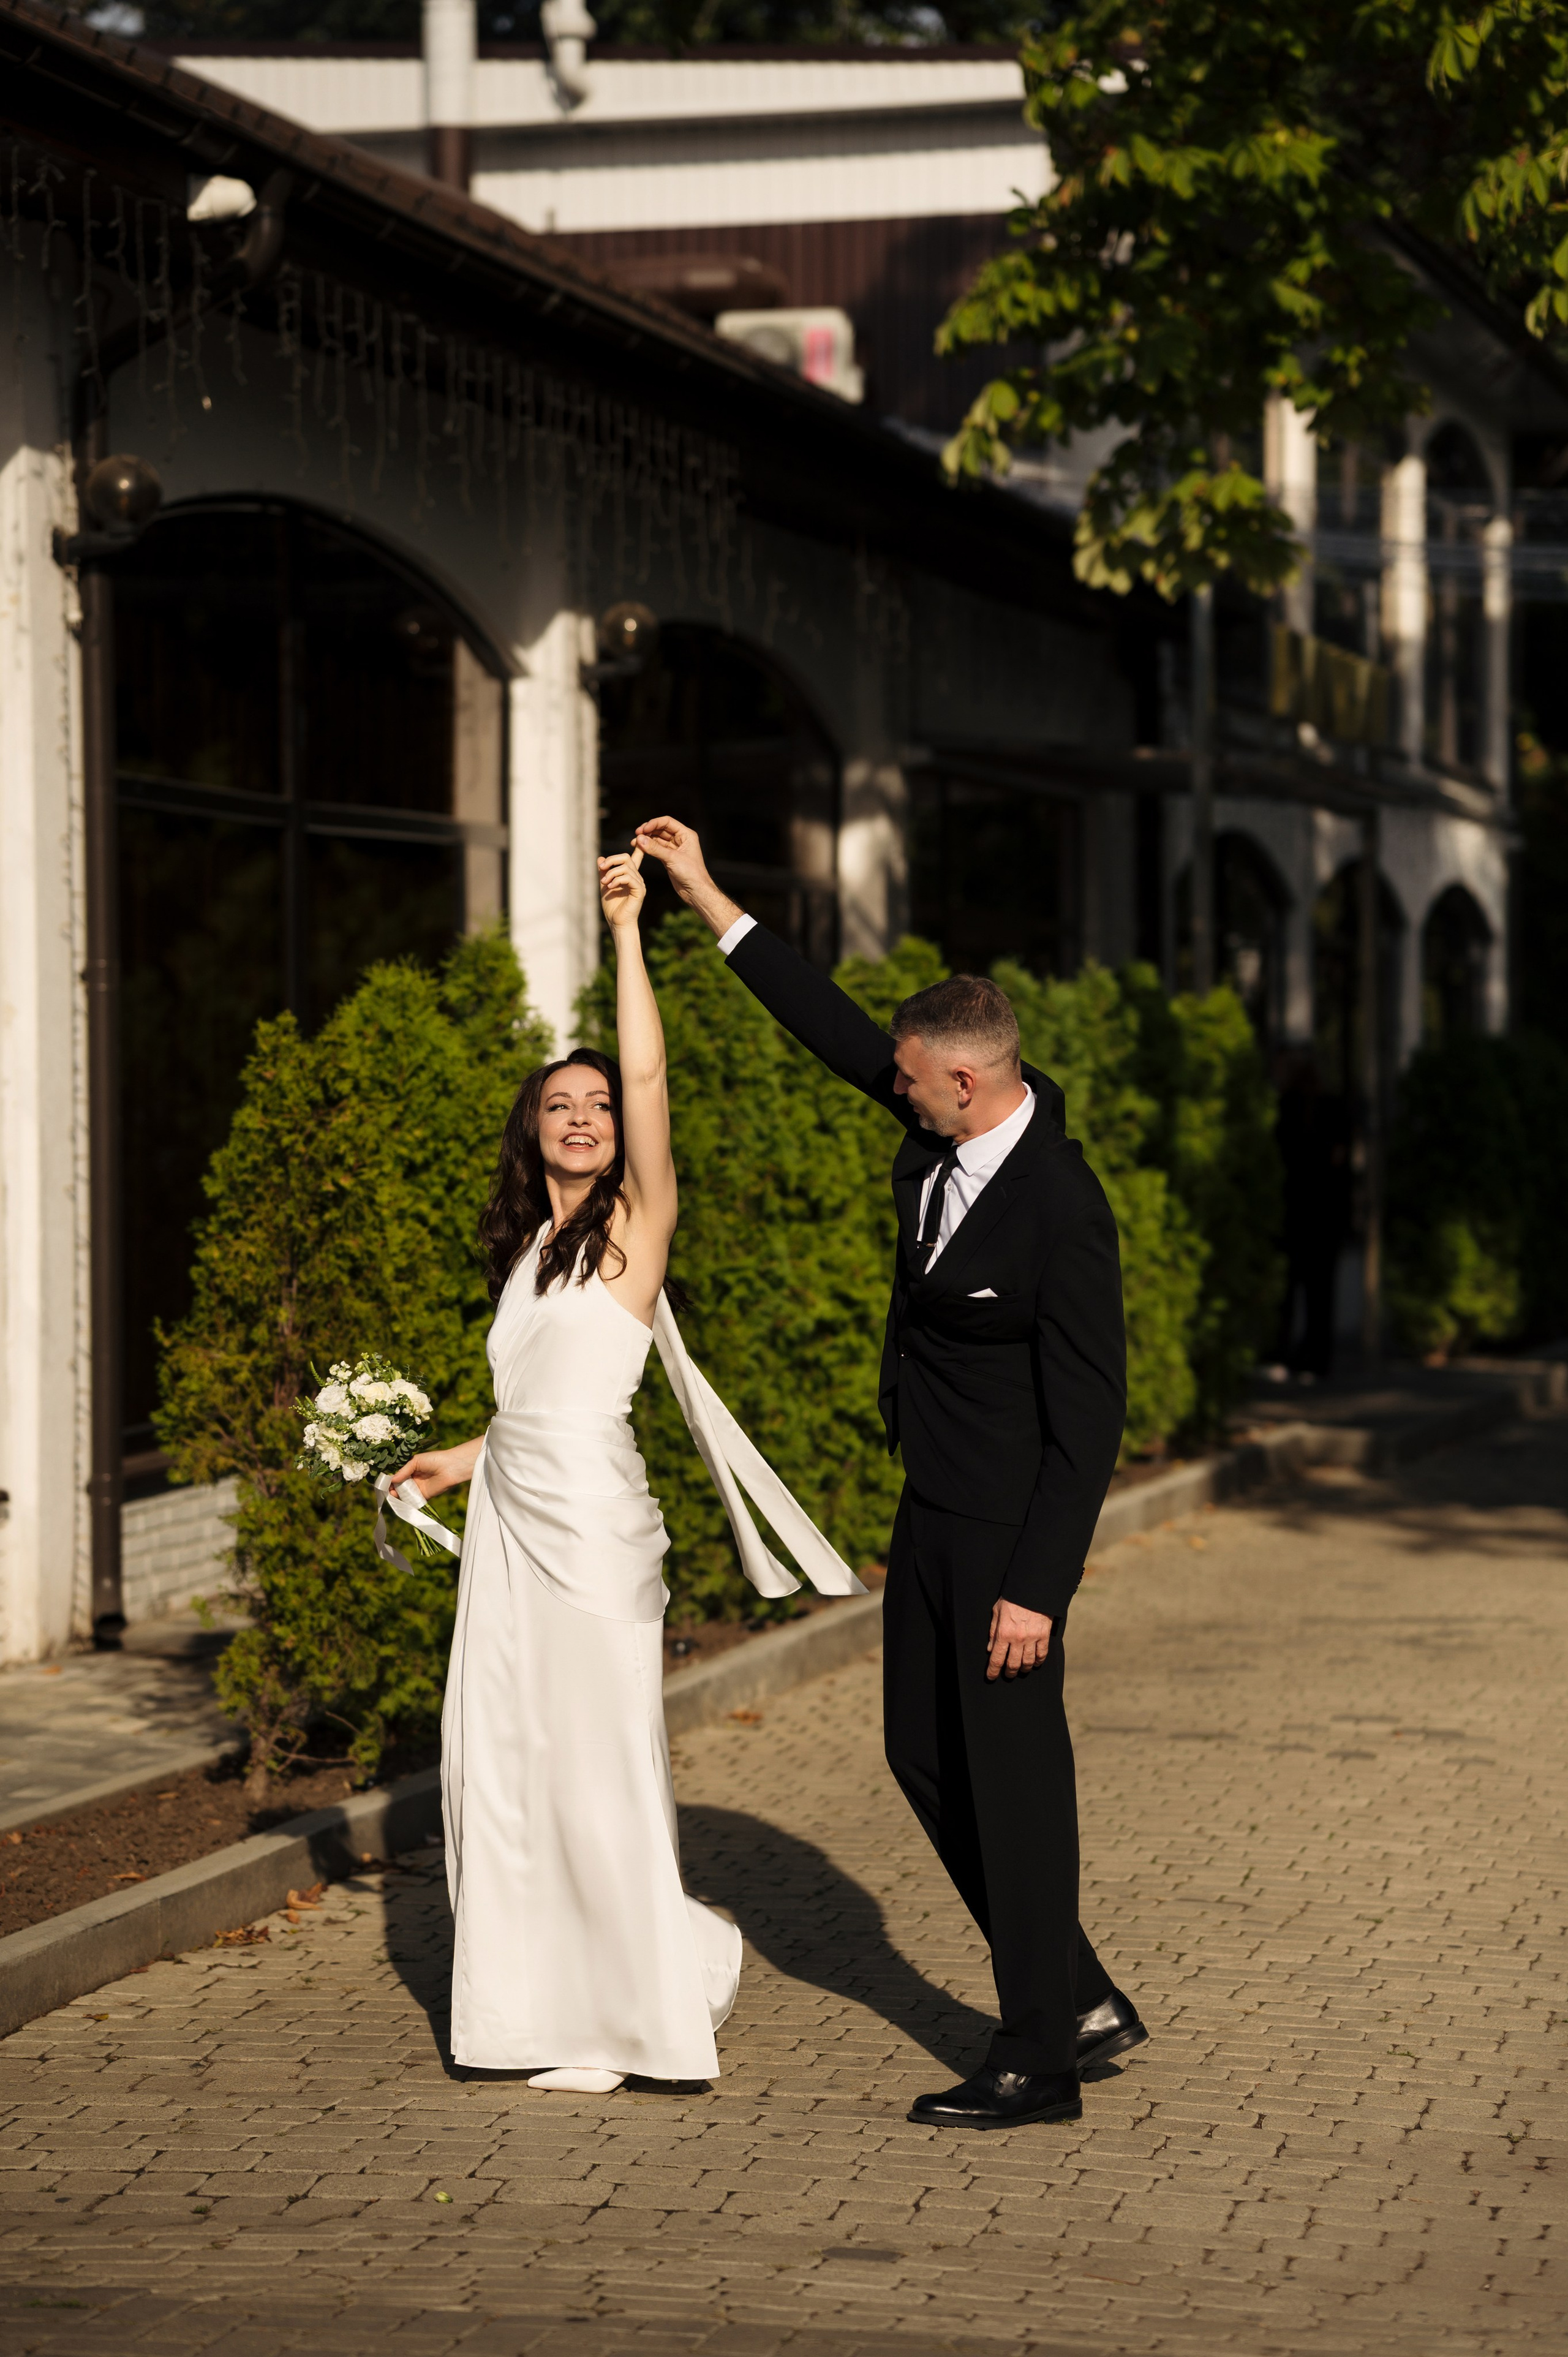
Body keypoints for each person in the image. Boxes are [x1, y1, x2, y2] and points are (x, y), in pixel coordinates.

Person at [633, 815, 1147, 2130]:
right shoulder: (940, 1130)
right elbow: (831, 1027)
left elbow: (1090, 1418)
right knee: (919, 1755)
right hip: (932, 1513)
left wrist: (1038, 1587)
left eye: (914, 1083)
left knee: (1016, 1792)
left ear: (966, 1081)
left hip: (1008, 1544)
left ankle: (1038, 2058)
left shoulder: (1060, 1206)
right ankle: (1077, 1993)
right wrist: (705, 895)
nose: (896, 1092)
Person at [390, 848, 864, 2095]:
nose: (586, 1115)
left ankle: (630, 2019)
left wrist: (627, 933)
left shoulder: (635, 1226)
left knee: (598, 1771)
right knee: (506, 1767)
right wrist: (457, 1462)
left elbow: (647, 1074)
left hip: (594, 1538)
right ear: (531, 1129)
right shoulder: (527, 1251)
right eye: (561, 1103)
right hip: (509, 1530)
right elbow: (541, 1401)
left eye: (598, 1103)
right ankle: (549, 2007)